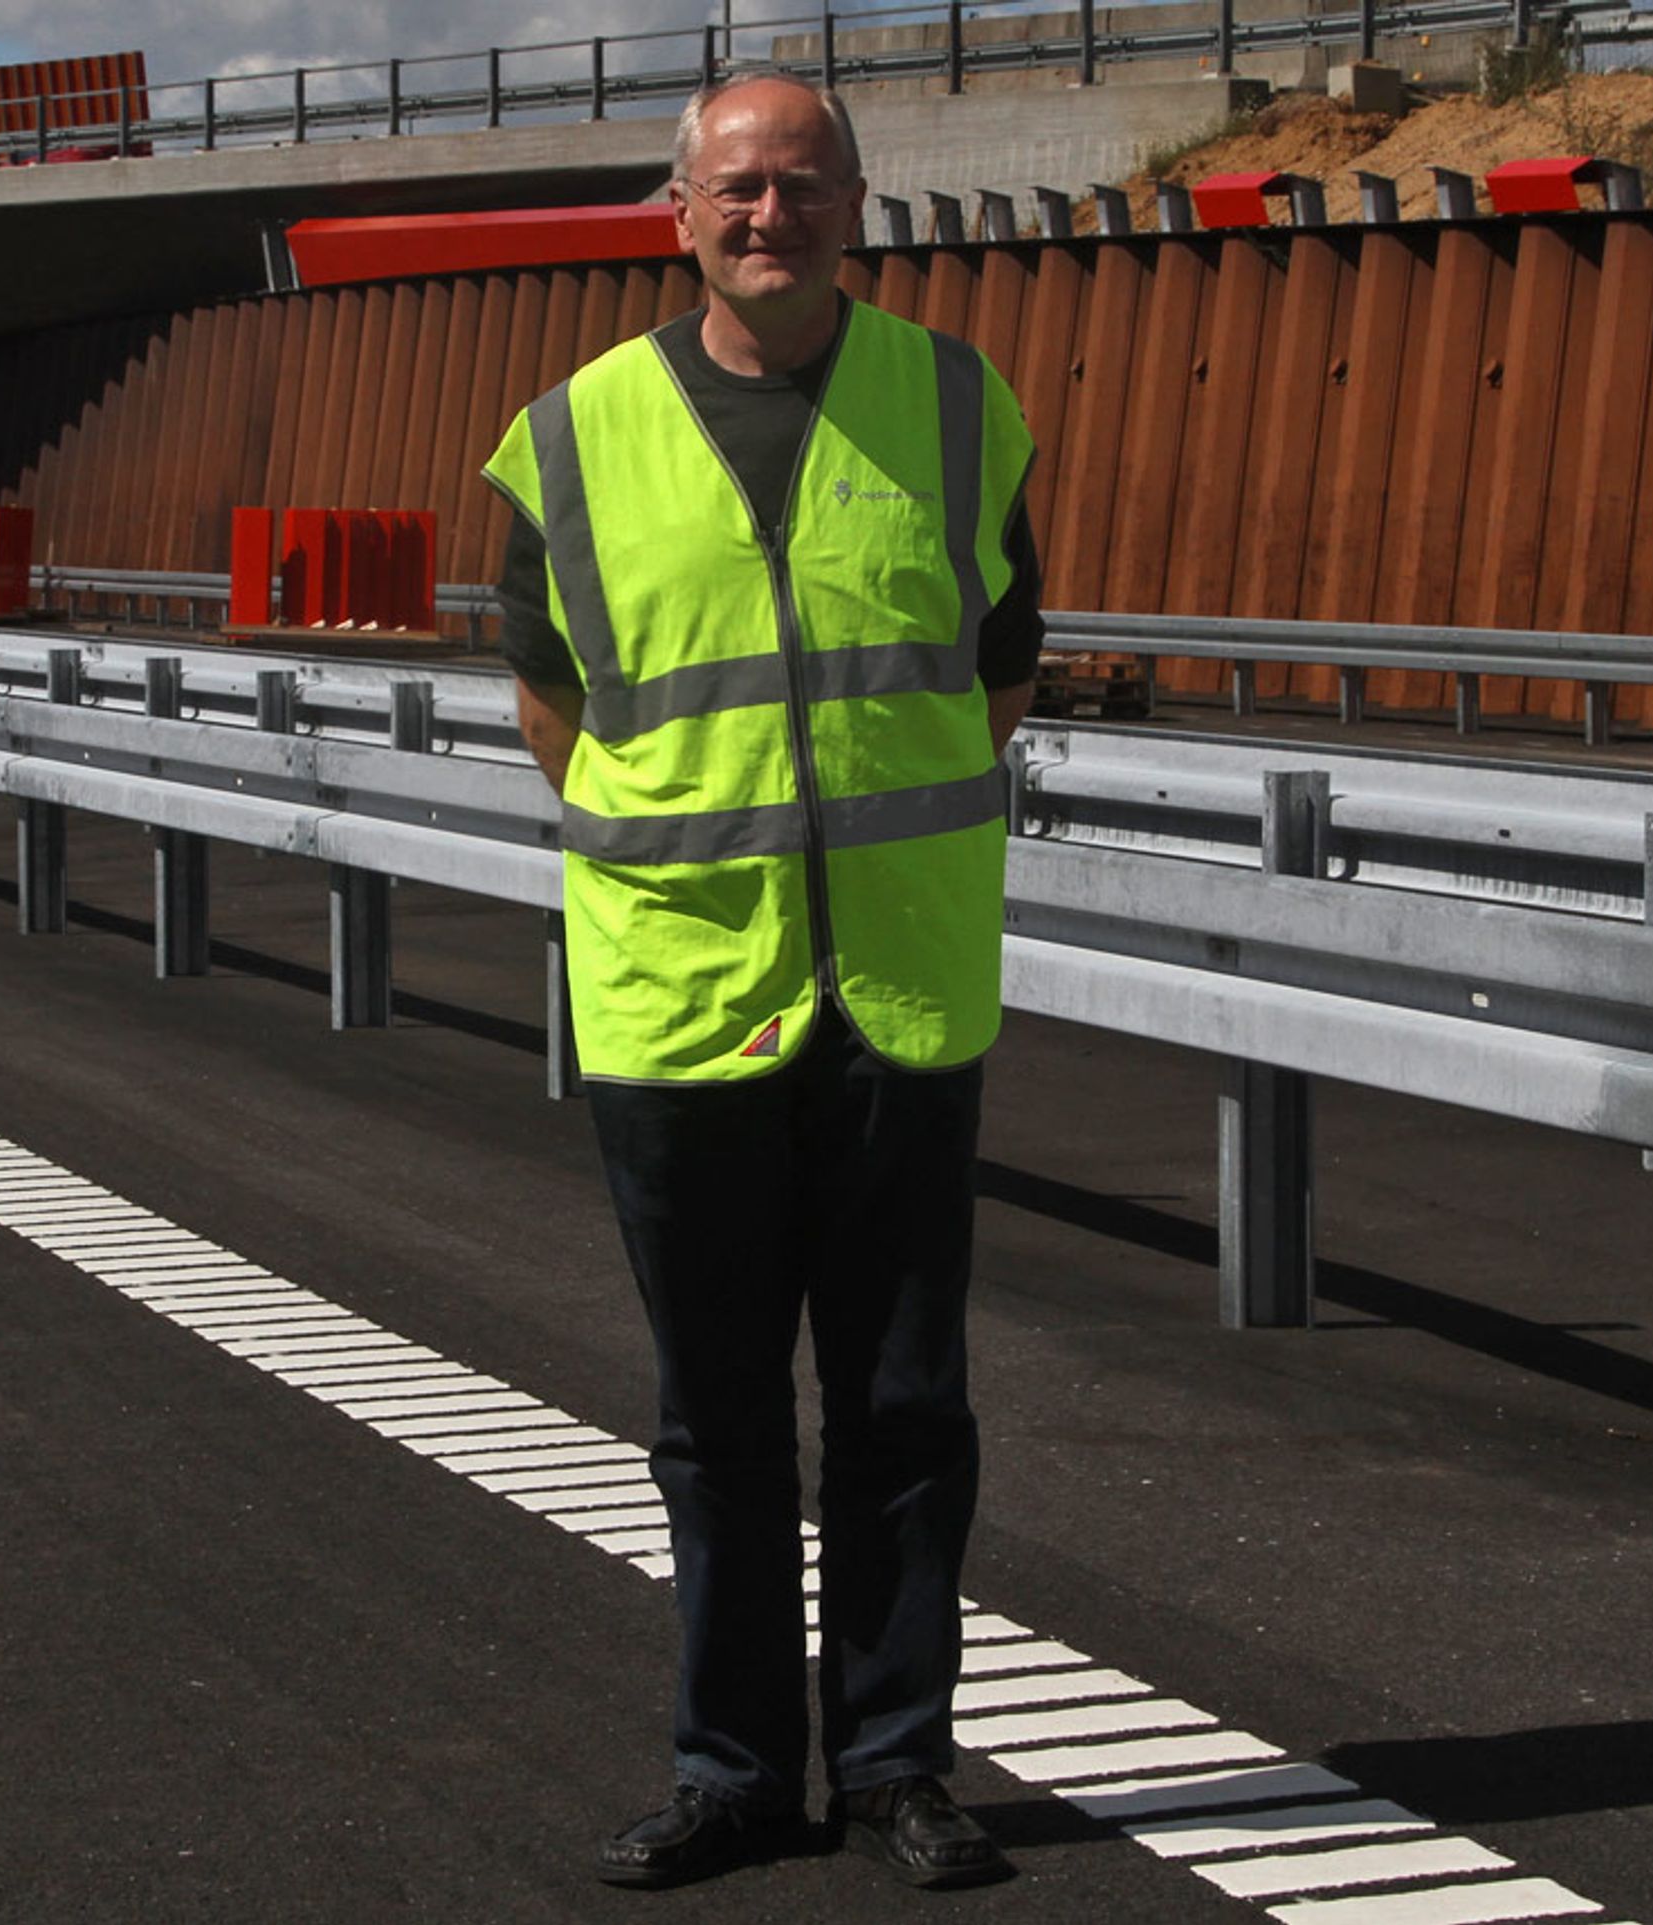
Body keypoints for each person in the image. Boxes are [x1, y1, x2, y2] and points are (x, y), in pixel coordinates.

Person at [482, 70, 1045, 1893]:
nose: (769, 215)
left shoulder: (960, 409)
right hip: (681, 1003)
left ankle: (892, 1762)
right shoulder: (568, 437)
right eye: (738, 186)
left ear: (859, 206)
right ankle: (733, 1770)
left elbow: (1001, 669)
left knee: (903, 1414)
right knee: (713, 1420)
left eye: (804, 185)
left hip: (899, 995)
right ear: (679, 208)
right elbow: (551, 709)